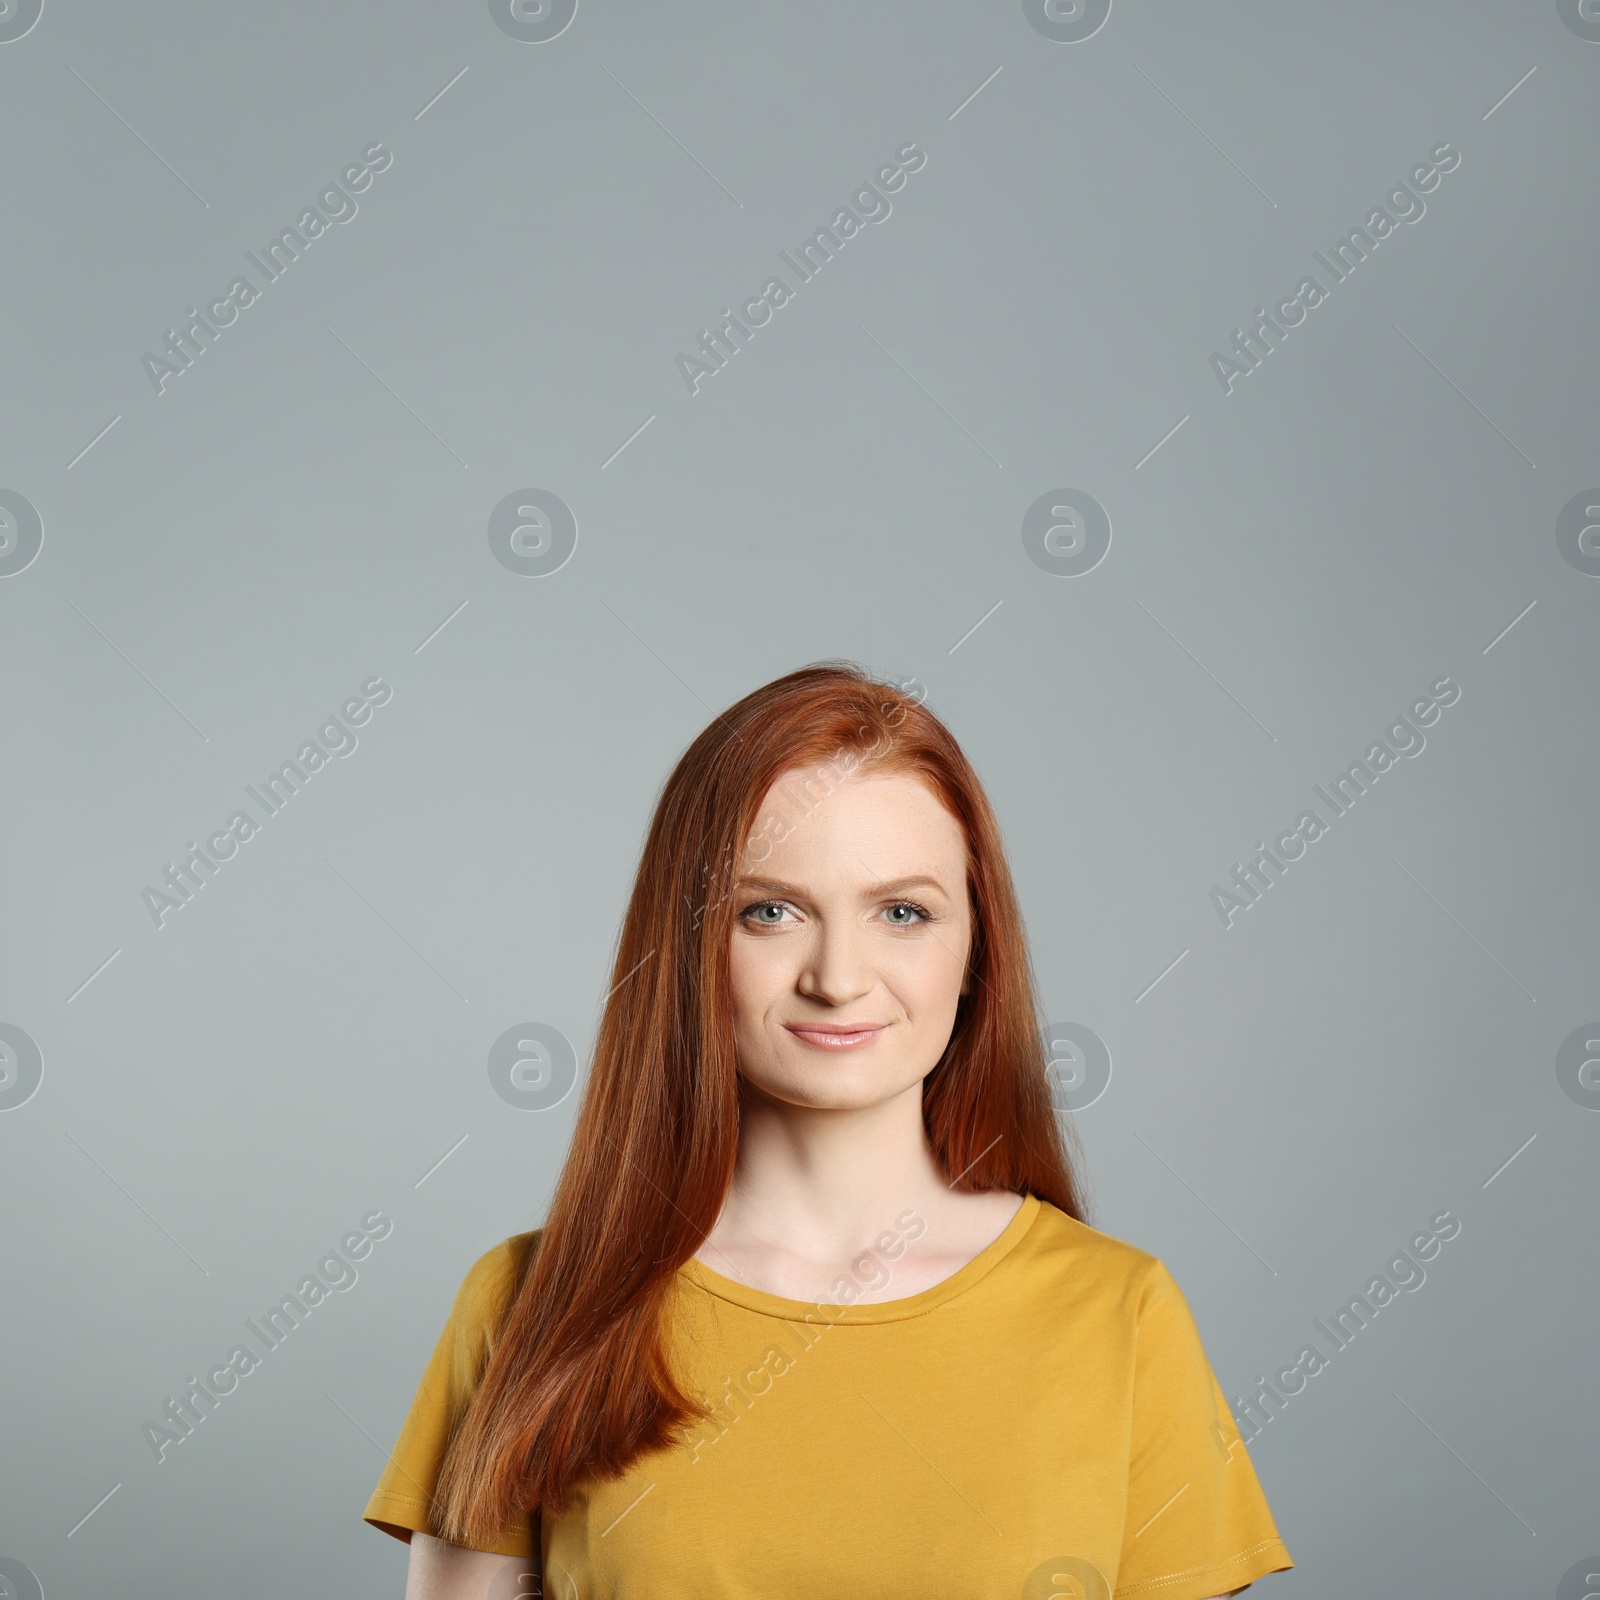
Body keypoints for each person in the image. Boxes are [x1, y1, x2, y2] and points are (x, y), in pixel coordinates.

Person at [363, 662, 1293, 1599]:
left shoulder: (1119, 1314)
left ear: (975, 952)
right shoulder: (528, 1303)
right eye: (770, 911)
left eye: (902, 912)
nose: (838, 977)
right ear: (688, 945)